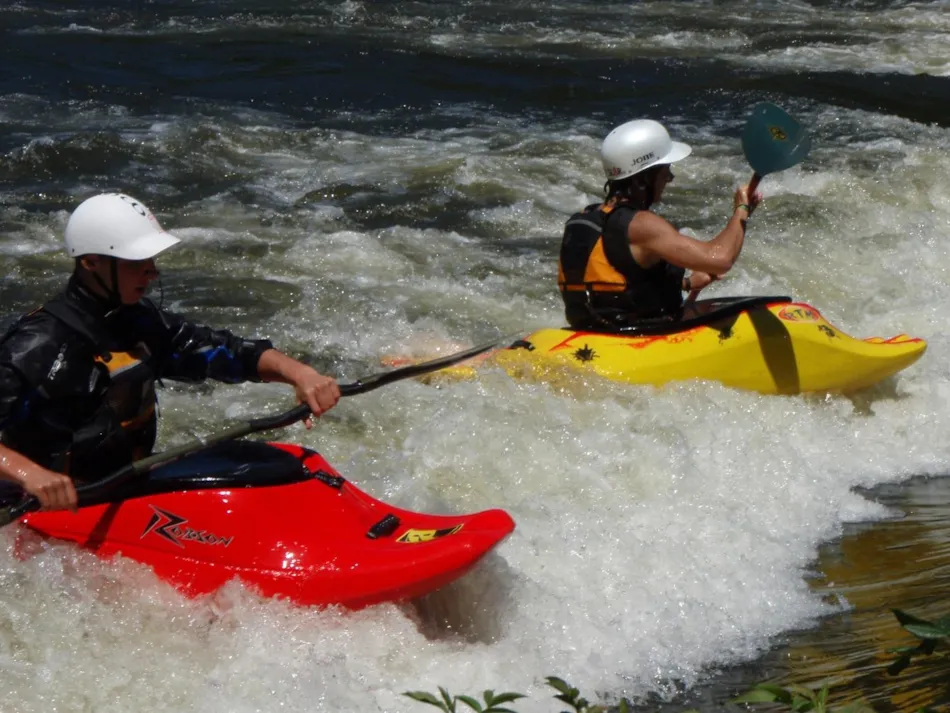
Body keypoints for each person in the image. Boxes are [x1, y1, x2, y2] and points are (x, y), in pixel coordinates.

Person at [0, 193, 341, 512]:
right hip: (44, 507)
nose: (152, 270)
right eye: (136, 261)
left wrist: (300, 374)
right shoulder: (38, 343)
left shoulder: (139, 321)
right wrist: (29, 474)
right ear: (91, 262)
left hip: (122, 490)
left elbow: (227, 352)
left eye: (150, 258)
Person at [558, 119, 762, 330]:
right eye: (665, 170)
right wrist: (741, 210)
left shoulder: (582, 220)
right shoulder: (642, 225)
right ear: (646, 176)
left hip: (589, 334)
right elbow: (721, 259)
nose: (670, 177)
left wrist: (687, 284)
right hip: (638, 337)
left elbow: (617, 291)